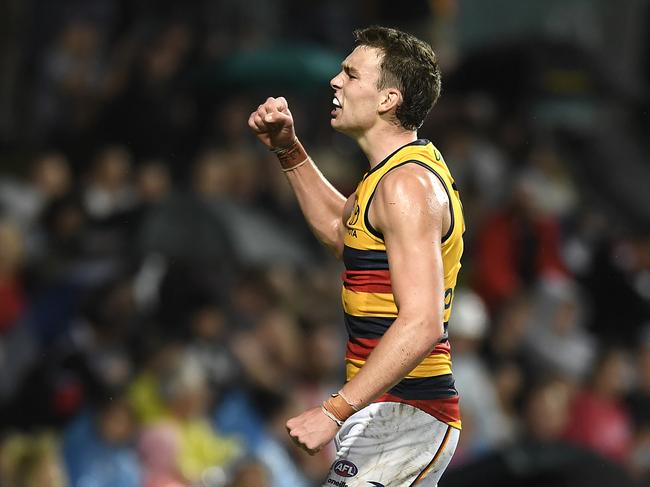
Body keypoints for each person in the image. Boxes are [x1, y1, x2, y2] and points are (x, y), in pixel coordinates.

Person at [248, 26, 464, 486]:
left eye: (351, 73)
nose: (335, 81)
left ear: (387, 99)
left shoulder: (406, 185)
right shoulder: (388, 178)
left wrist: (334, 409)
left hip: (408, 412)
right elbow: (340, 231)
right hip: (390, 411)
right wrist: (289, 150)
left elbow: (423, 322)